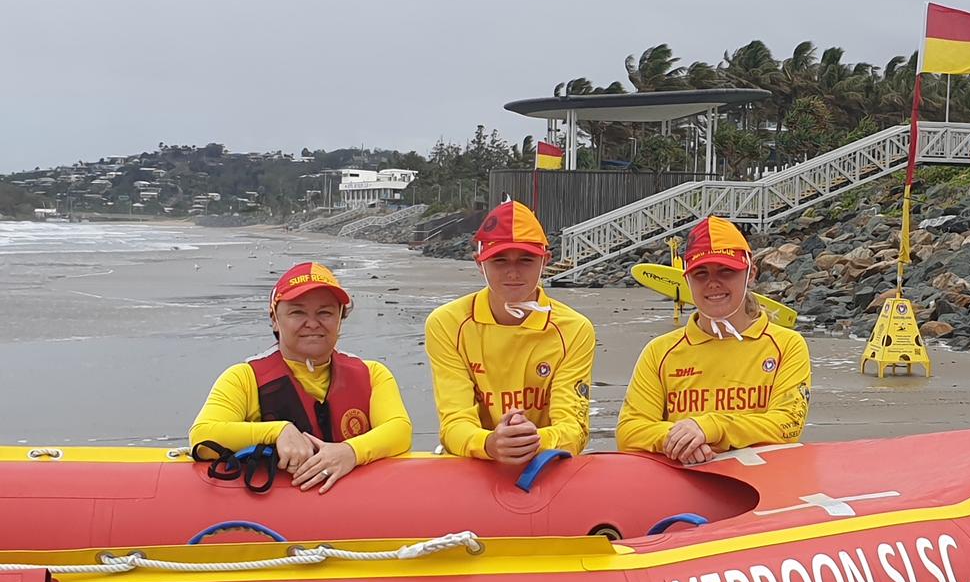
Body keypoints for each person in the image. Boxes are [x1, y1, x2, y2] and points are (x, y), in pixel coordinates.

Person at [189, 262, 412, 493]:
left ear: (340, 319)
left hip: (357, 509)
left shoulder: (373, 374)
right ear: (275, 319)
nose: (313, 323)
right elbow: (202, 436)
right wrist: (277, 431)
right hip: (271, 510)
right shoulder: (243, 378)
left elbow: (399, 430)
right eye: (297, 312)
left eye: (325, 312)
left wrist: (350, 452)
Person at [617, 216, 811, 464]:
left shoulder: (786, 345)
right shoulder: (660, 351)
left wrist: (711, 428)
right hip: (686, 484)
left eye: (726, 271)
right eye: (700, 273)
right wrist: (680, 439)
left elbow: (788, 424)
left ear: (751, 273)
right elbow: (629, 431)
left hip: (764, 484)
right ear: (686, 280)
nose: (713, 283)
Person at [425, 200, 595, 464]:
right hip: (475, 465)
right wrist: (489, 443)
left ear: (545, 262)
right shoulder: (447, 324)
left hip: (544, 463)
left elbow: (574, 427)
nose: (513, 272)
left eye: (526, 260)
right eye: (499, 260)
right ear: (479, 263)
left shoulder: (574, 329)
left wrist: (530, 439)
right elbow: (454, 422)